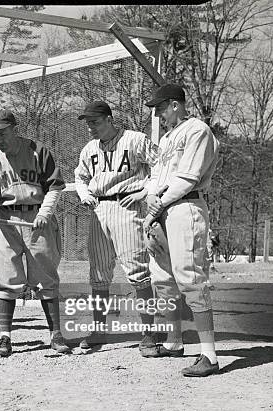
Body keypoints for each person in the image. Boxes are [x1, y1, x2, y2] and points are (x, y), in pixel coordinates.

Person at [0, 109, 69, 357]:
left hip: (37, 216)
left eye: (2, 133)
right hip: (5, 218)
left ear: (15, 129)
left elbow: (55, 186)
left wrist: (45, 214)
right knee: (6, 277)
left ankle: (55, 334)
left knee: (46, 277)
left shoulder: (38, 150)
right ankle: (4, 337)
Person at [144, 83, 220, 377]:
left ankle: (210, 356)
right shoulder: (166, 138)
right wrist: (151, 202)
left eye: (161, 109)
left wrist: (157, 204)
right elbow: (156, 176)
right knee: (163, 278)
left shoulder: (197, 130)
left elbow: (188, 178)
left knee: (190, 278)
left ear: (175, 104)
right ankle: (175, 342)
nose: (159, 115)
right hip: (163, 210)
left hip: (185, 207)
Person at [74, 100, 160, 354]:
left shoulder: (135, 139)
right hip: (99, 209)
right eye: (88, 123)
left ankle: (149, 333)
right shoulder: (89, 148)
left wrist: (145, 190)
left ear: (110, 120)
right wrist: (83, 194)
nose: (91, 127)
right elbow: (80, 177)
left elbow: (162, 165)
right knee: (99, 274)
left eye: (96, 122)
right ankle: (99, 330)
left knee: (138, 272)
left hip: (127, 206)